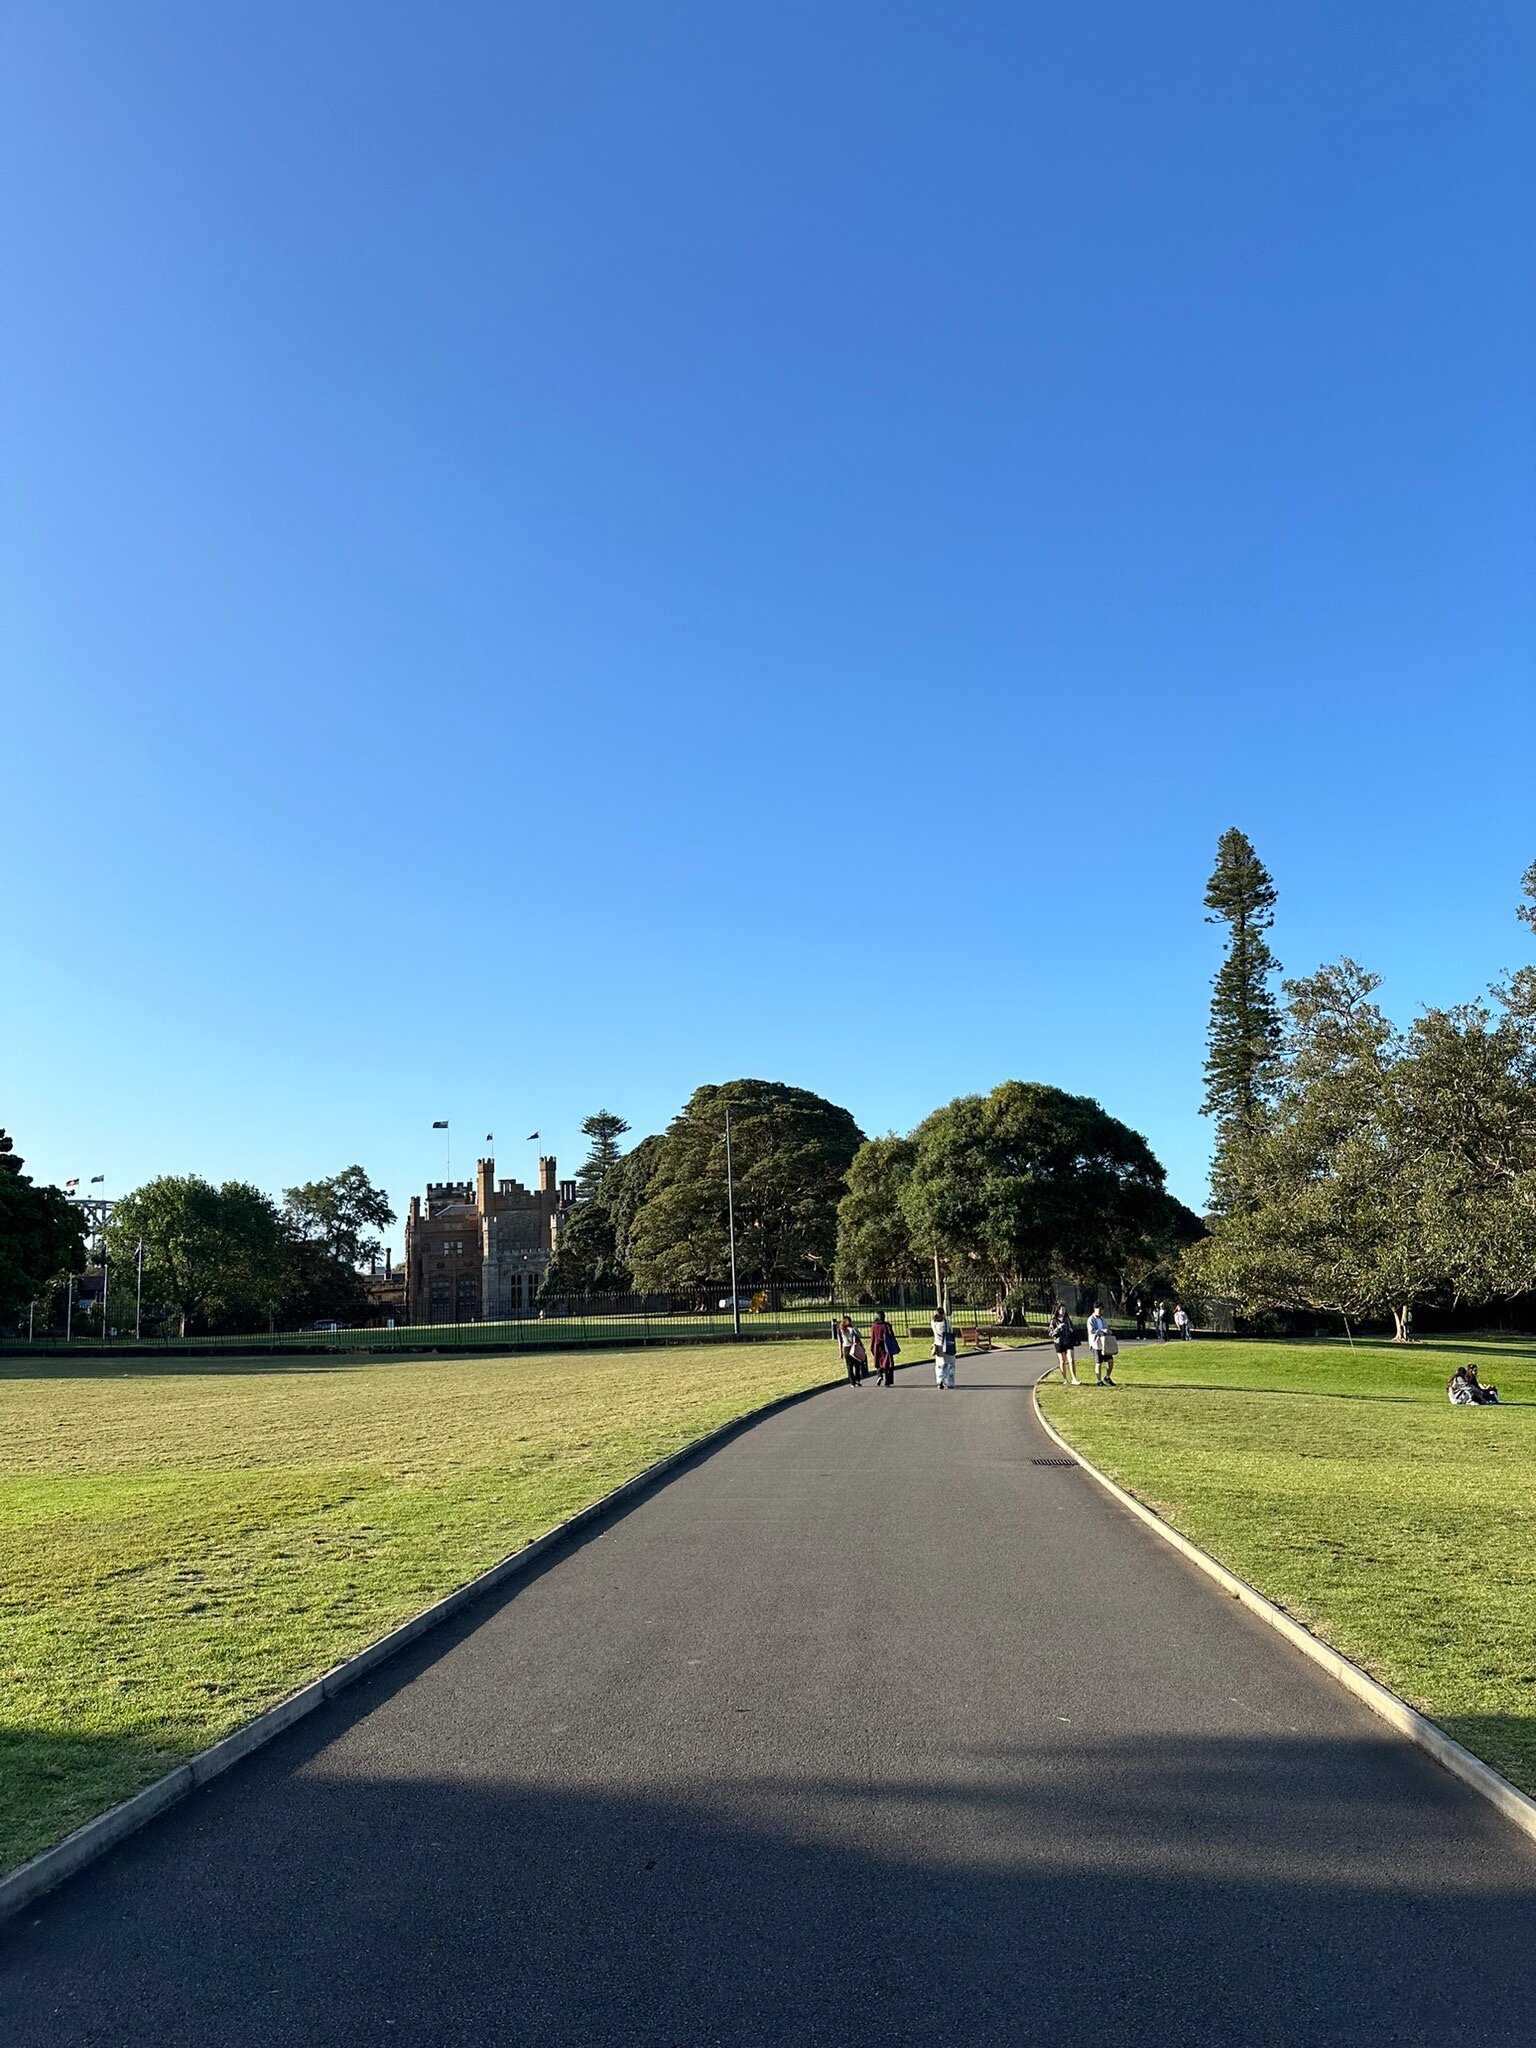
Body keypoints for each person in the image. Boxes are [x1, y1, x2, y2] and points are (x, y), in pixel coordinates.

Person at [1050, 1304, 1081, 1385]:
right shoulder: (1054, 1320)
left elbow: (1072, 1328)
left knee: (1071, 1360)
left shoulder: (1067, 1319)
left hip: (1068, 1341)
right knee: (1063, 1361)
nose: (1063, 1311)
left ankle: (1074, 1378)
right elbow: (1050, 1333)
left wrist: (1071, 1330)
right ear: (1058, 1310)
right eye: (1061, 1310)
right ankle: (1065, 1379)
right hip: (1059, 1342)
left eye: (1064, 1309)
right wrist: (1058, 1328)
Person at [869, 1311, 900, 1387]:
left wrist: (872, 1348)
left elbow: (872, 1338)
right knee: (888, 1364)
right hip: (887, 1347)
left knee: (878, 1362)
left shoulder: (874, 1326)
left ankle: (879, 1375)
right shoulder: (887, 1325)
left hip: (877, 1346)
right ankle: (888, 1382)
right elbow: (891, 1335)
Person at [836, 1315, 867, 1388]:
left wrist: (841, 1352)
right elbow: (858, 1338)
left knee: (849, 1366)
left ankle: (852, 1382)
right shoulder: (853, 1329)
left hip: (846, 1348)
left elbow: (840, 1342)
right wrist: (862, 1347)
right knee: (857, 1365)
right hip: (853, 1348)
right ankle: (857, 1380)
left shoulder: (840, 1330)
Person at [931, 1307, 956, 1389]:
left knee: (939, 1365)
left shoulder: (934, 1323)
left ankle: (940, 1381)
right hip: (947, 1345)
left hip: (938, 1345)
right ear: (943, 1314)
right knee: (950, 1364)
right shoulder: (946, 1323)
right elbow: (951, 1331)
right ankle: (950, 1382)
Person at [1091, 1318, 1119, 1386]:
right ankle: (1099, 1380)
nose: (1100, 1311)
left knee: (1110, 1361)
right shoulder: (1091, 1319)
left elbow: (1107, 1328)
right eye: (1098, 1309)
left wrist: (1107, 1331)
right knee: (1098, 1362)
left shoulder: (1103, 1319)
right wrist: (1101, 1331)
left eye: (1101, 1309)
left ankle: (1107, 1377)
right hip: (1097, 1344)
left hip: (1105, 1343)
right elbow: (1092, 1331)